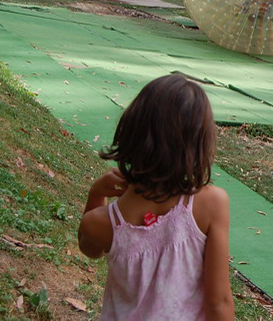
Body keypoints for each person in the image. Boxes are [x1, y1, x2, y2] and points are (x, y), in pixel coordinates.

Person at [78, 74, 235, 320]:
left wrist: (96, 194)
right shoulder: (211, 204)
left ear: (130, 131)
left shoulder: (100, 222)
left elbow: (89, 248)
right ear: (198, 144)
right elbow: (219, 303)